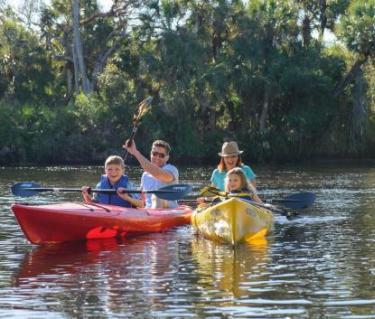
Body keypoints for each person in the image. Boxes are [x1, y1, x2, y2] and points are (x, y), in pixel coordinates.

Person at [123, 139, 178, 208]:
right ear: (150, 153)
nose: (157, 157)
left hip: (168, 210)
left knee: (157, 196)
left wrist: (135, 152)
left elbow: (157, 173)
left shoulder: (172, 169)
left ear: (167, 158)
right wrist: (126, 194)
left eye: (161, 155)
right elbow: (141, 198)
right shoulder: (145, 175)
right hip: (148, 212)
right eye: (154, 154)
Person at [197, 167, 262, 205]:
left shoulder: (249, 193)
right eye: (230, 180)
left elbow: (260, 204)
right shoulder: (226, 194)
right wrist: (205, 199)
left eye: (235, 180)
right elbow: (214, 198)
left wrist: (267, 206)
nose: (232, 183)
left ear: (242, 181)